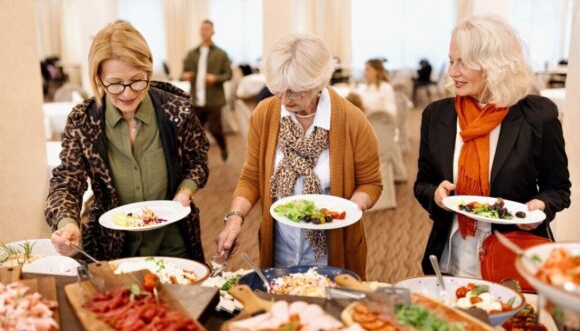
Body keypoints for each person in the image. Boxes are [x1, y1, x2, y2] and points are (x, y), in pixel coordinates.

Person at [215, 33, 383, 279]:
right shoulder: (265, 114)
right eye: (279, 90)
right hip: (280, 249)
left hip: (334, 253)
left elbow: (371, 183)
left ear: (318, 82)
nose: (285, 99)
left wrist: (347, 210)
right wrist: (235, 218)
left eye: (295, 92)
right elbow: (251, 177)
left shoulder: (352, 120)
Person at [414, 15, 571, 277]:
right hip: (452, 256)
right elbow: (423, 184)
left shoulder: (537, 116)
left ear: (492, 64)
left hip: (511, 255)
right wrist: (437, 195)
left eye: (463, 62)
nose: (452, 72)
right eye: (452, 60)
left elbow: (558, 189)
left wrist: (539, 207)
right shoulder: (437, 115)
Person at [46, 21, 209, 262]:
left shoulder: (176, 109)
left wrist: (185, 191)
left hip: (174, 244)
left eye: (137, 80)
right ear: (99, 79)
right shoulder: (83, 121)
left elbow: (198, 161)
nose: (128, 92)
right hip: (111, 249)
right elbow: (66, 182)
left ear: (148, 71)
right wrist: (68, 222)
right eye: (115, 83)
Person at [182, 19, 232, 162]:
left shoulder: (221, 54)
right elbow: (183, 73)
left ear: (213, 32)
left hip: (214, 100)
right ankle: (200, 158)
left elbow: (229, 74)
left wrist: (215, 78)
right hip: (196, 99)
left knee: (216, 130)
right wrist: (185, 75)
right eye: (202, 29)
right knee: (196, 132)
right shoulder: (192, 53)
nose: (205, 31)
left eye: (207, 29)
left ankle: (223, 148)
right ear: (200, 32)